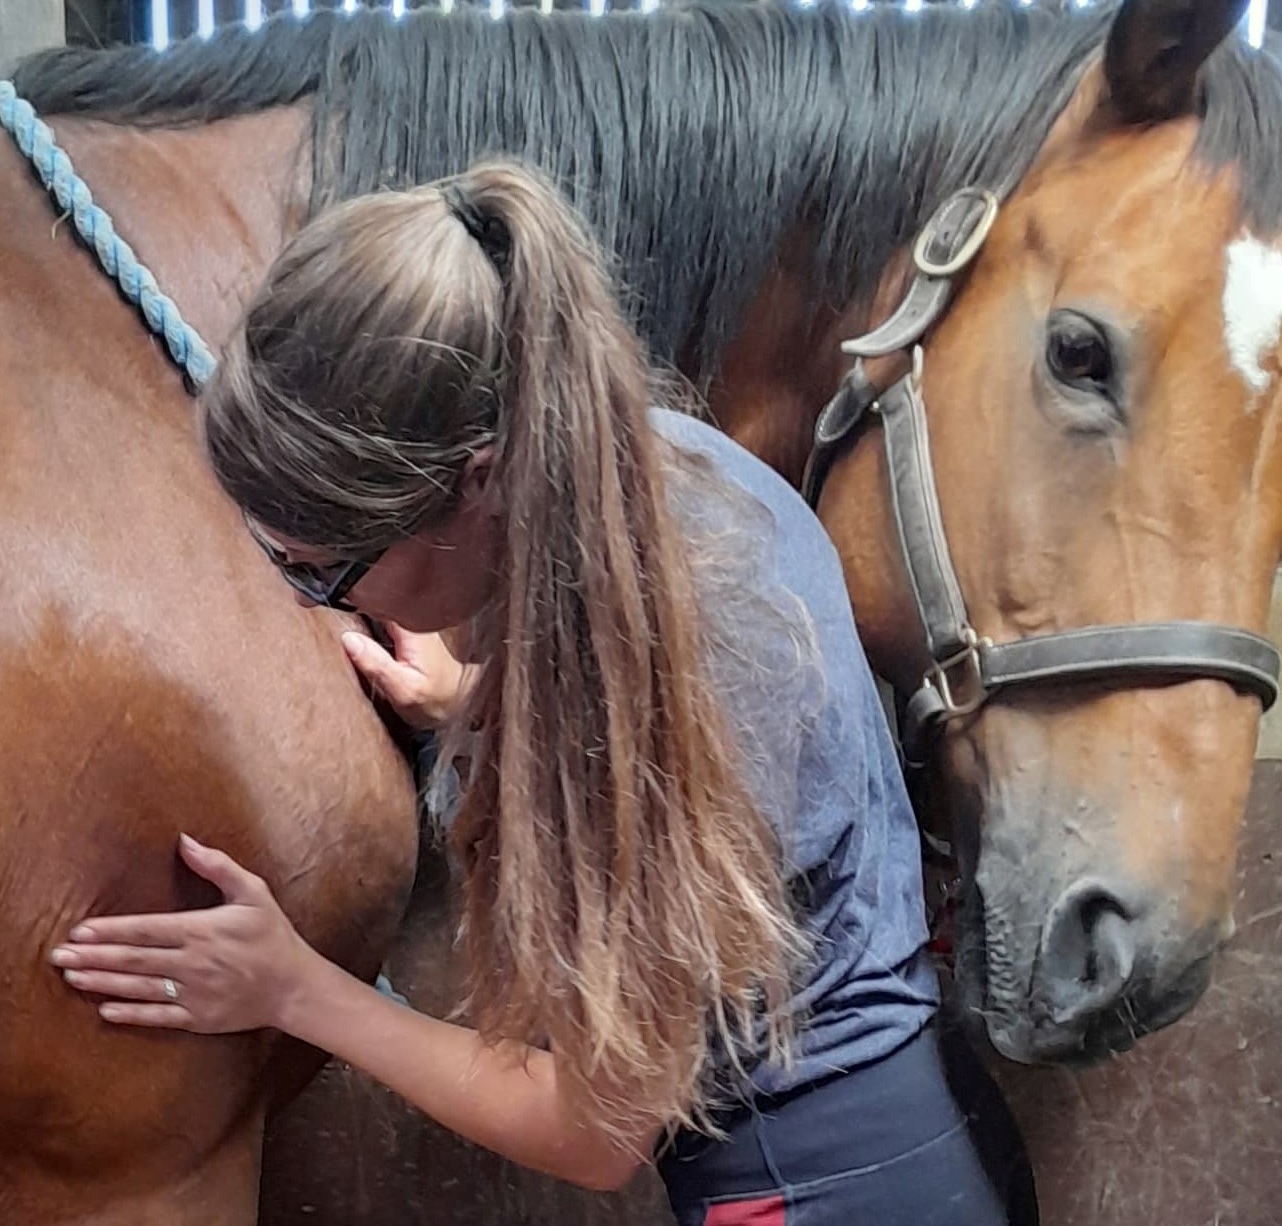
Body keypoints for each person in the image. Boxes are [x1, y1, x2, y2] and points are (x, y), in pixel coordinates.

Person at [49, 160, 1008, 1225]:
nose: (317, 597)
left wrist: (294, 987)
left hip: (807, 1189)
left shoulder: (685, 651)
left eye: (327, 570)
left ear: (478, 479)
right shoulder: (672, 473)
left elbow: (593, 1131)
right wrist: (474, 699)